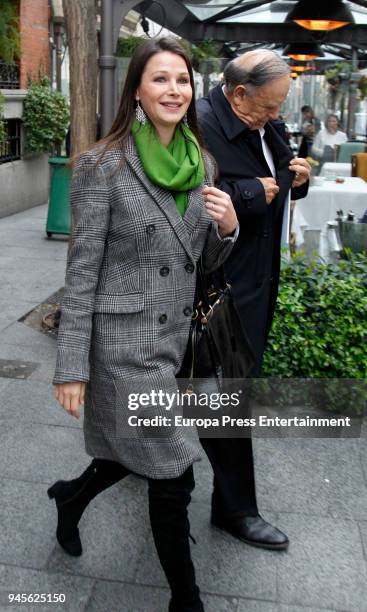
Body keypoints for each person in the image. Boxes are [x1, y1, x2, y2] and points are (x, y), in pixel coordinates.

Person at [48, 37, 238, 612]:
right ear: (137, 90)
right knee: (172, 470)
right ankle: (188, 600)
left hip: (172, 342)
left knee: (127, 453)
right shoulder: (103, 165)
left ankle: (70, 498)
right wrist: (70, 367)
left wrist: (227, 229)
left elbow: (201, 260)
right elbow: (81, 273)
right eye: (160, 79)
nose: (173, 90)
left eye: (182, 80)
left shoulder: (202, 162)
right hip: (121, 345)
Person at [196, 49, 311, 550]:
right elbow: (182, 197)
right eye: (267, 107)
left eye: (279, 107)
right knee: (225, 400)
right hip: (215, 285)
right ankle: (236, 510)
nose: (275, 116)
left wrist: (297, 179)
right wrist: (246, 197)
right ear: (239, 92)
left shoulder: (268, 121)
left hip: (256, 282)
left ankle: (122, 463)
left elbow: (275, 178)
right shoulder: (198, 124)